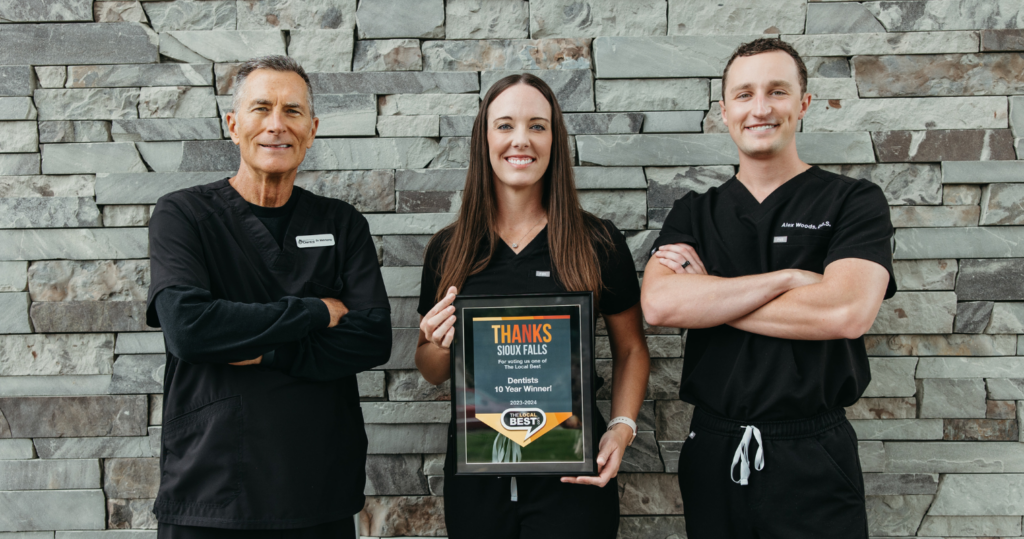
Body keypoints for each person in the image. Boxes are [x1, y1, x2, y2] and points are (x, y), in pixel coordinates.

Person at [641, 38, 896, 539]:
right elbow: (661, 302)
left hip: (814, 450)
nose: (760, 108)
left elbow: (845, 312)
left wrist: (710, 298)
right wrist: (787, 280)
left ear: (803, 102)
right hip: (713, 448)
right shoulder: (694, 211)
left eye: (777, 92)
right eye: (744, 94)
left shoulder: (854, 201)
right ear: (724, 110)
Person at [146, 56, 392, 538]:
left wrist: (266, 350)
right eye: (261, 108)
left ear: (312, 128)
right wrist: (315, 310)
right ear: (233, 124)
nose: (276, 125)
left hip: (317, 490)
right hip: (210, 490)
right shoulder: (184, 216)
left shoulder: (341, 225)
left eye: (293, 111)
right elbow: (189, 329)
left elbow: (371, 338)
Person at [414, 73, 651, 539]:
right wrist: (437, 342)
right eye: (504, 125)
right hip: (477, 477)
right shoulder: (450, 248)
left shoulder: (598, 241)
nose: (520, 140)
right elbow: (431, 368)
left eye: (537, 126)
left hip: (574, 476)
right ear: (484, 138)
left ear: (554, 140)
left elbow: (631, 350)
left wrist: (622, 430)